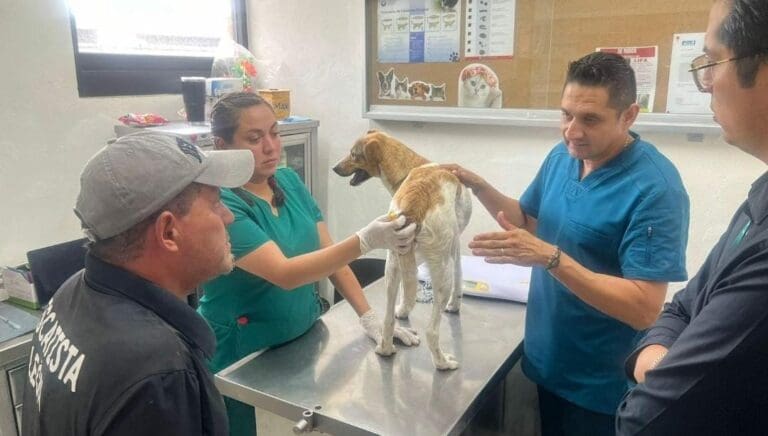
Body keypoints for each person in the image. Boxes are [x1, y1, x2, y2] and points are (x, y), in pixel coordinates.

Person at [444, 52, 690, 436]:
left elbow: (644, 308)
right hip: (547, 364)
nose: (572, 131)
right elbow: (527, 220)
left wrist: (551, 258)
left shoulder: (655, 189)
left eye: (590, 119)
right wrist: (480, 187)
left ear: (629, 116)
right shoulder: (564, 156)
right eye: (566, 115)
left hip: (599, 390)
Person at [198, 91, 419, 436]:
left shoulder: (287, 181)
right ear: (221, 145)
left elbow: (330, 257)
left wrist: (370, 318)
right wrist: (366, 239)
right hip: (243, 357)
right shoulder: (221, 205)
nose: (271, 146)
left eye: (274, 132)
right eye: (255, 139)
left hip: (300, 343)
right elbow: (285, 274)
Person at [21, 132, 255, 435]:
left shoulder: (72, 293)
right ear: (168, 232)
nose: (228, 217)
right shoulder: (157, 370)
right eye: (216, 203)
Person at [616, 1, 768, 434]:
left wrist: (553, 259)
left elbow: (645, 418)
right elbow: (683, 307)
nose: (705, 84)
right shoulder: (762, 193)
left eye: (713, 61)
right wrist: (661, 365)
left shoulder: (655, 182)